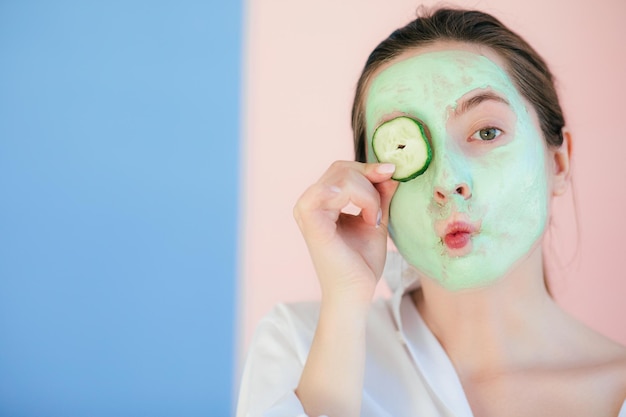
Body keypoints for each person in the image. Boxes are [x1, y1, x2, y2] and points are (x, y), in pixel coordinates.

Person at [236, 7, 626, 417]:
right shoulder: (298, 346)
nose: (446, 179)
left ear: (558, 163)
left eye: (487, 132)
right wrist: (346, 304)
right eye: (400, 148)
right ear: (371, 184)